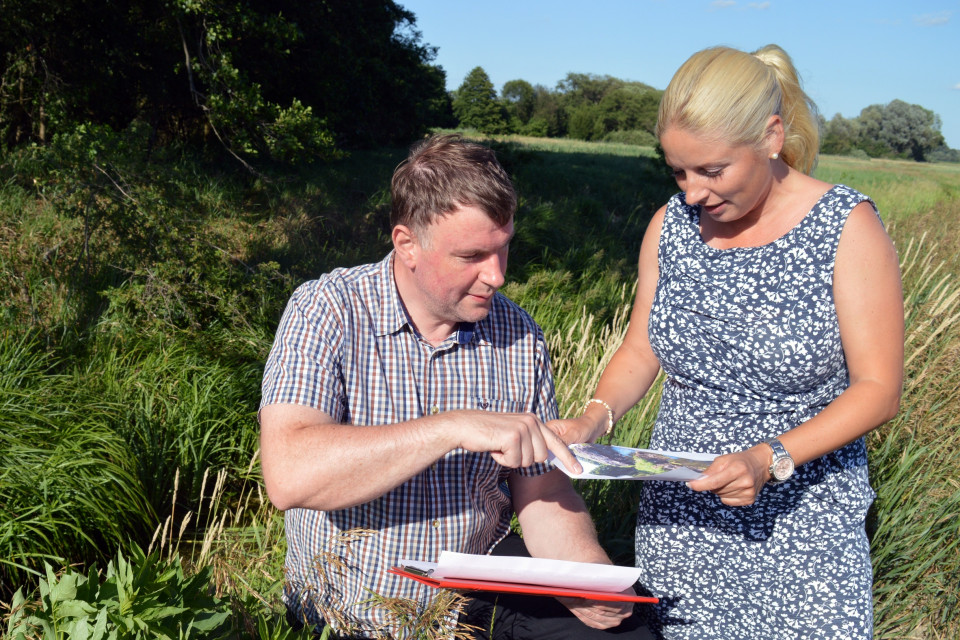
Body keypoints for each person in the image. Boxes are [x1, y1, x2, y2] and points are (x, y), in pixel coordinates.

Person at [549, 45, 904, 639]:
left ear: (771, 137)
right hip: (681, 521)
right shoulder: (672, 224)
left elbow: (878, 390)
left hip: (802, 524)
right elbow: (642, 349)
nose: (692, 193)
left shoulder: (847, 227)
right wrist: (593, 418)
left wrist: (767, 460)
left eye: (712, 171)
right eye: (678, 172)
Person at [259, 133, 653, 639]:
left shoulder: (517, 334)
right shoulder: (327, 310)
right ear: (407, 245)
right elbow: (289, 475)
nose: (498, 276)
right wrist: (452, 428)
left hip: (474, 596)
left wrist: (588, 581)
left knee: (625, 634)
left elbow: (543, 489)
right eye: (471, 256)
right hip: (350, 604)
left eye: (504, 249)